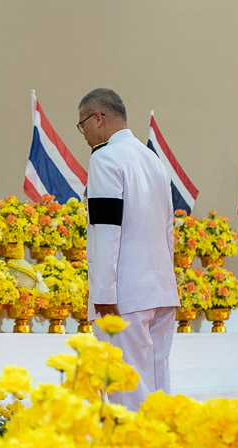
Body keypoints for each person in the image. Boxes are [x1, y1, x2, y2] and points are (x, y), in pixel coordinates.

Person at [78, 88, 180, 411]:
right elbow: (168, 230)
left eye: (83, 126)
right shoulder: (154, 160)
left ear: (99, 118)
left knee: (126, 385)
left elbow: (106, 230)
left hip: (124, 294)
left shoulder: (105, 158)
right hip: (161, 289)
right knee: (157, 381)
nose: (84, 136)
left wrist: (103, 293)